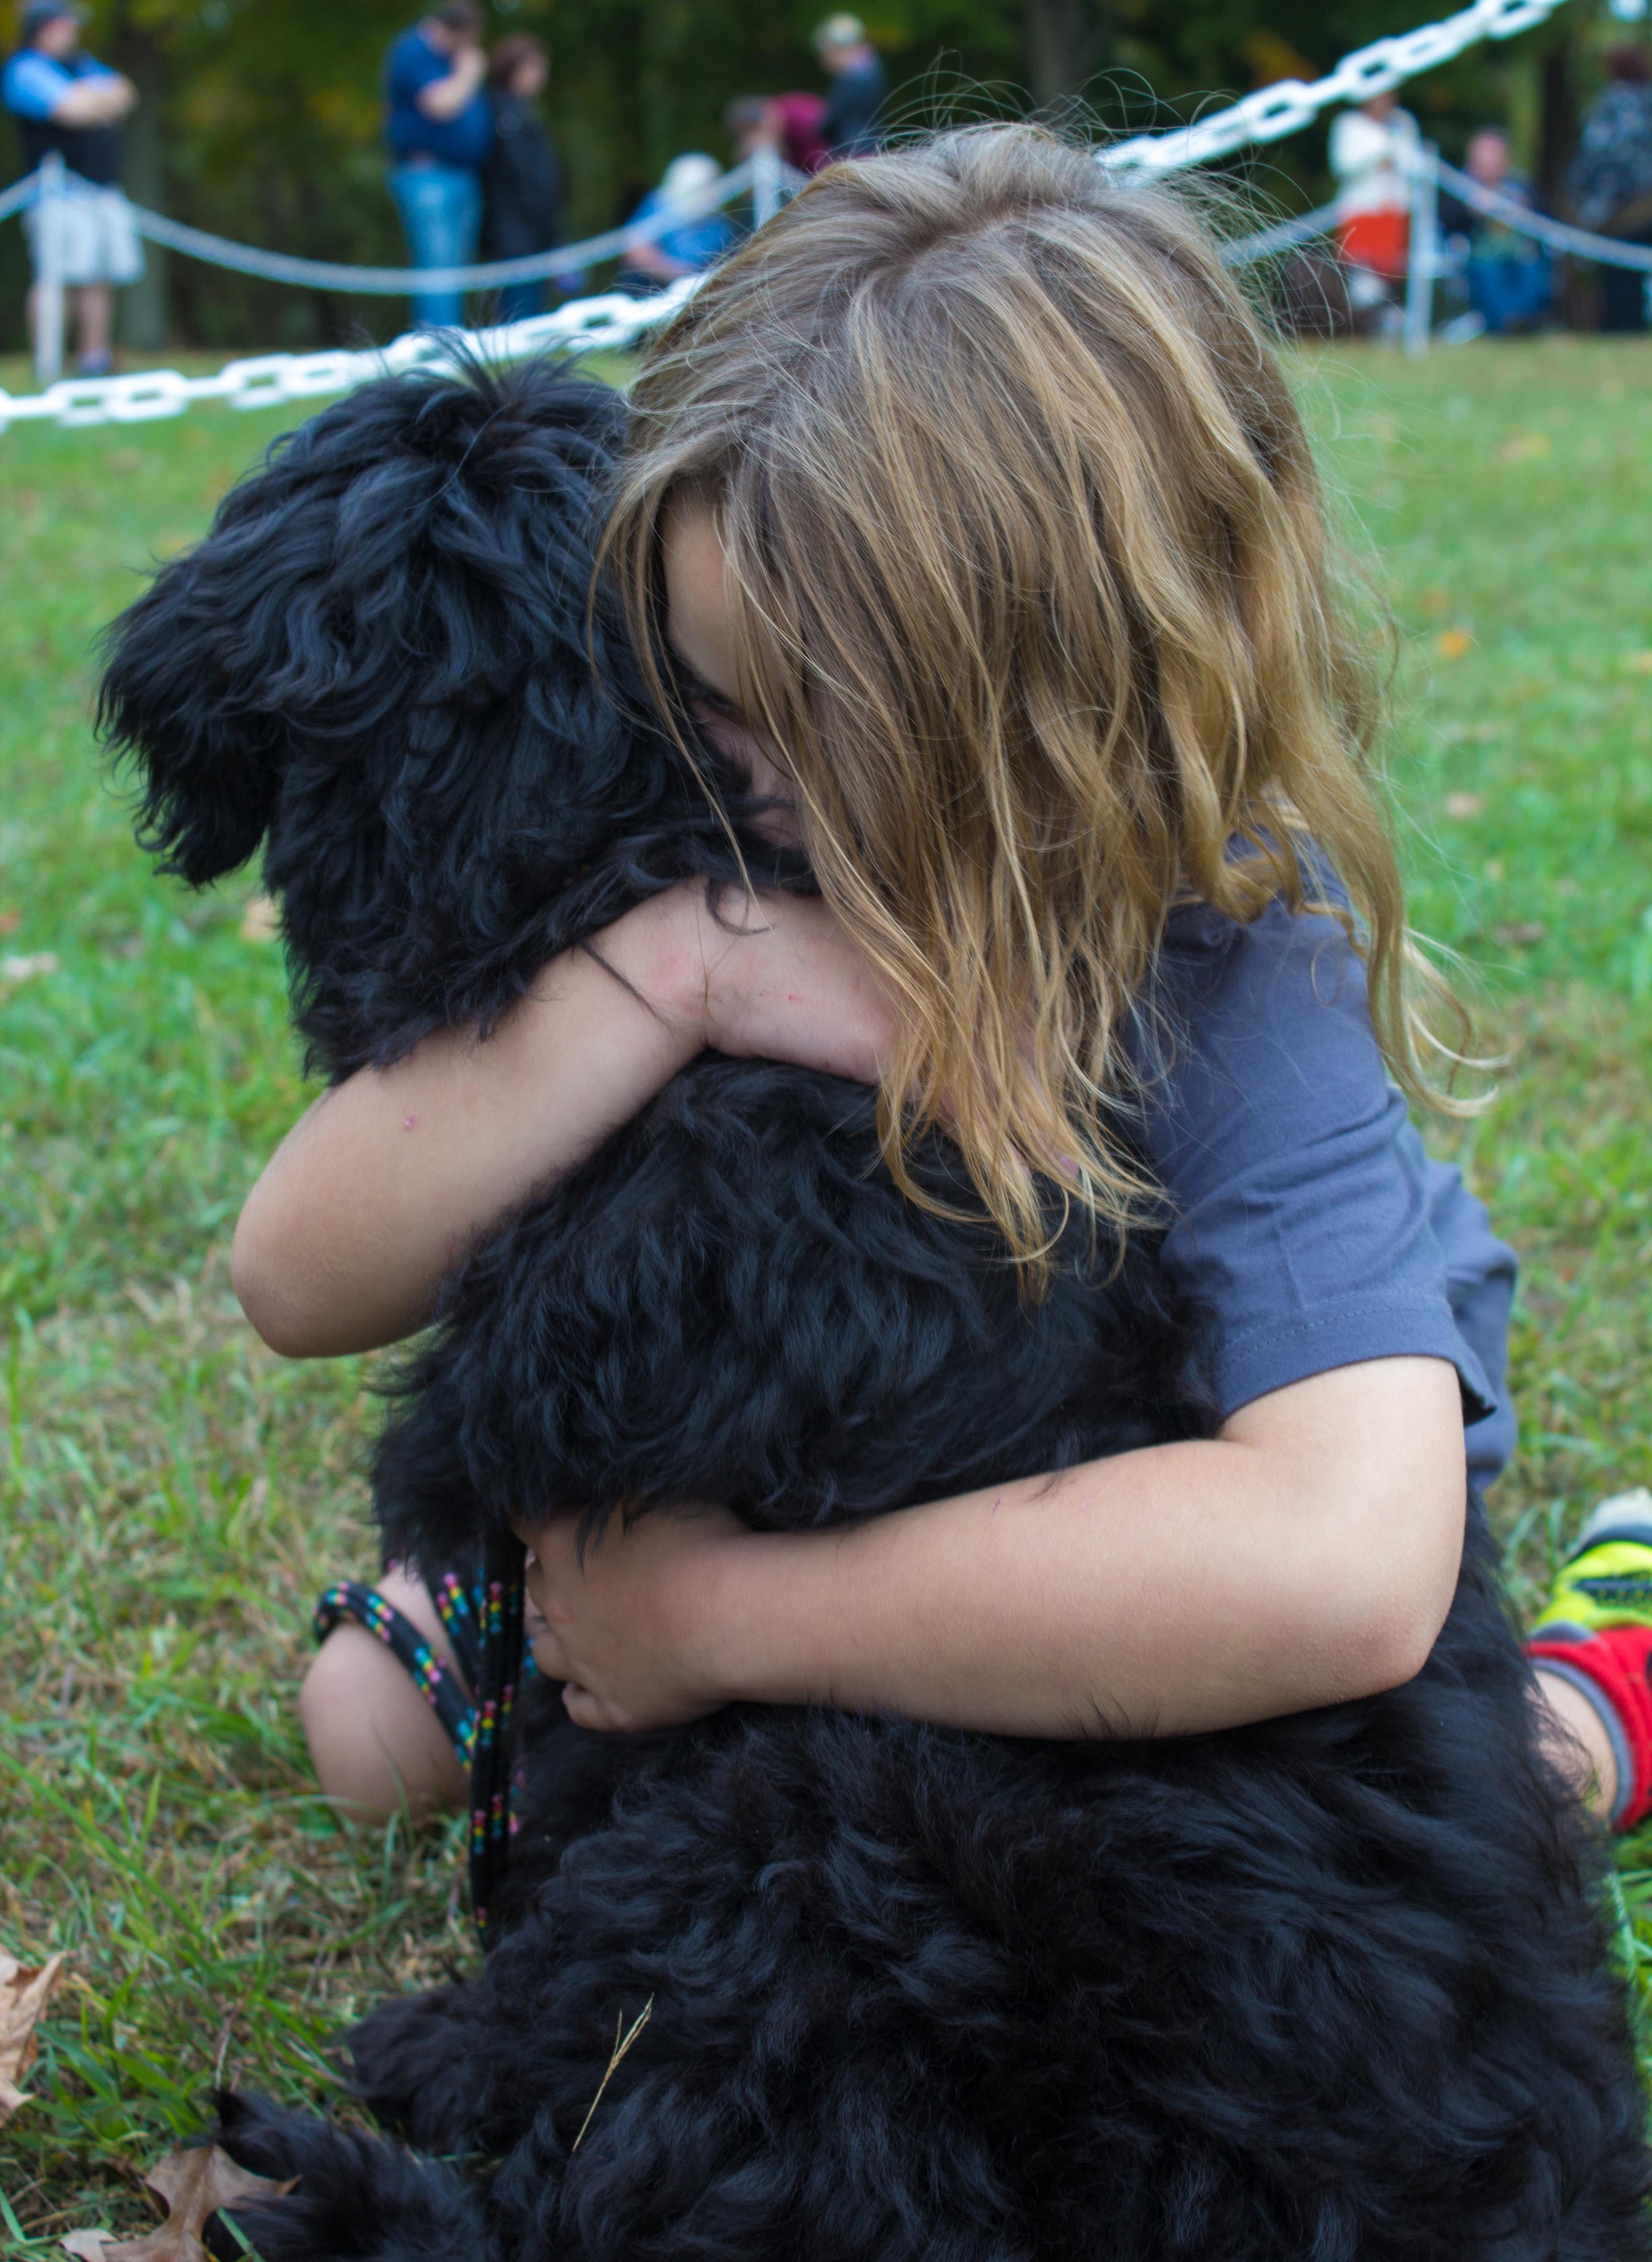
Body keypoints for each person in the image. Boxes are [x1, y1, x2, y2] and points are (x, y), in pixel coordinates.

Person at [225, 126, 1652, 1850]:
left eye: (791, 725)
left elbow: (1340, 1564)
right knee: (372, 1729)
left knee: (1466, 1785)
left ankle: (1604, 1672)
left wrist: (723, 1618)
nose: (727, 784)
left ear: (1047, 720)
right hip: (835, 1452)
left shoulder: (1215, 946)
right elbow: (296, 1273)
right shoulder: (719, 871)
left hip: (1150, 1501)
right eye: (695, 693)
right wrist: (678, 970)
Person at [1, 0, 141, 375]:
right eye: (67, 22)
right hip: (57, 194)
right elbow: (70, 110)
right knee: (56, 275)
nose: (74, 30)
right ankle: (49, 363)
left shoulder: (81, 64)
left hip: (101, 187)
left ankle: (93, 360)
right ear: (44, 27)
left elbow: (127, 93)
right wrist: (98, 103)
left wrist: (90, 100)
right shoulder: (25, 68)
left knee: (98, 276)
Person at [383, 0, 492, 332]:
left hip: (462, 173)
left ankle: (449, 337)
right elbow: (441, 104)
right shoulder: (414, 51)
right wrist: (470, 72)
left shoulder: (451, 57)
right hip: (427, 174)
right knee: (438, 265)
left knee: (455, 267)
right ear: (454, 30)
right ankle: (438, 341)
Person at [1567, 45, 1652, 334]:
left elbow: (1599, 157)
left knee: (1619, 277)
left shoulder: (1613, 104)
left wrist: (1587, 203)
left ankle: (1625, 330)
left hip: (1623, 211)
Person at [480, 33, 563, 322]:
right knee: (519, 307)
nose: (541, 76)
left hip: (533, 228)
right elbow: (519, 174)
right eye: (533, 67)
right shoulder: (502, 113)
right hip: (514, 229)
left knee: (534, 304)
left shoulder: (522, 113)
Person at [1438, 128, 1550, 335]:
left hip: (1520, 254)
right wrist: (1471, 210)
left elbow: (1545, 221)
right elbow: (1447, 222)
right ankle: (1508, 323)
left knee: (1532, 273)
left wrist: (1524, 209)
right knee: (1488, 275)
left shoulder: (1520, 185)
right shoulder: (1461, 188)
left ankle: (1524, 320)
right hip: (1481, 256)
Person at [1328, 89, 1419, 322]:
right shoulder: (1349, 125)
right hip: (1362, 211)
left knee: (1392, 271)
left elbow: (1415, 164)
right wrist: (1382, 149)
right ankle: (1365, 321)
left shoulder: (1402, 123)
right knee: (1363, 274)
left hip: (1395, 210)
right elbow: (1344, 165)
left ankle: (1387, 319)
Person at [618, 151, 737, 292]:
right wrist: (680, 275)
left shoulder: (718, 223)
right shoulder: (658, 205)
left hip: (702, 288)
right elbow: (636, 253)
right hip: (656, 290)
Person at [813, 12, 886, 159]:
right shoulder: (872, 69)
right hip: (870, 146)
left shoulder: (853, 76)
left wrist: (815, 129)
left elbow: (833, 120)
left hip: (851, 150)